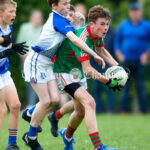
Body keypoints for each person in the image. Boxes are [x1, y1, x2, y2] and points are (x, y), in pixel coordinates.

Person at [22, 0, 107, 149]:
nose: (68, 6)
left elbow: (75, 34)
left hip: (49, 63)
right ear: (54, 6)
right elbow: (74, 39)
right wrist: (94, 54)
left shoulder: (63, 19)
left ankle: (29, 113)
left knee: (54, 99)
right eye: (64, 3)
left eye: (69, 3)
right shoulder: (57, 19)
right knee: (45, 101)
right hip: (38, 60)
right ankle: (31, 137)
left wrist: (77, 21)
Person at [52, 5, 121, 150]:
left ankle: (67, 136)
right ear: (91, 24)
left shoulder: (97, 35)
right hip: (64, 71)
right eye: (102, 24)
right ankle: (99, 147)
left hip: (77, 72)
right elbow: (89, 70)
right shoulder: (81, 37)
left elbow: (101, 50)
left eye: (107, 24)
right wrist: (108, 81)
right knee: (90, 102)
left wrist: (117, 68)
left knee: (80, 111)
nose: (106, 28)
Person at [0, 0, 28, 150]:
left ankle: (12, 144)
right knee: (2, 109)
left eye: (14, 12)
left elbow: (6, 43)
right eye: (10, 11)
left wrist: (13, 47)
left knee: (16, 106)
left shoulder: (8, 27)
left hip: (3, 72)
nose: (14, 15)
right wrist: (4, 52)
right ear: (0, 13)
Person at [114, 2, 150, 113]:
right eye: (133, 11)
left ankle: (143, 111)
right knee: (125, 86)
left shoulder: (146, 26)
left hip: (140, 61)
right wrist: (119, 54)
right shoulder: (123, 25)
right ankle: (124, 110)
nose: (135, 13)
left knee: (140, 86)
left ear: (140, 12)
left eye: (137, 11)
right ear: (130, 13)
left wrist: (147, 54)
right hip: (126, 60)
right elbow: (116, 42)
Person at [17, 9, 43, 107]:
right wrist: (24, 55)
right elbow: (19, 44)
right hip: (26, 59)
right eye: (35, 17)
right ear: (31, 18)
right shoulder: (24, 28)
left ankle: (35, 104)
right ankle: (31, 104)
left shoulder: (43, 29)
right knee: (29, 82)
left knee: (39, 82)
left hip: (39, 61)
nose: (37, 20)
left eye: (39, 18)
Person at [90, 26, 116, 113]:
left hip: (108, 66)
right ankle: (97, 111)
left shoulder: (112, 33)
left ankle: (110, 111)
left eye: (107, 23)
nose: (106, 26)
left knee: (109, 88)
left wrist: (114, 64)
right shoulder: (94, 31)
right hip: (95, 64)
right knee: (96, 89)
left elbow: (114, 48)